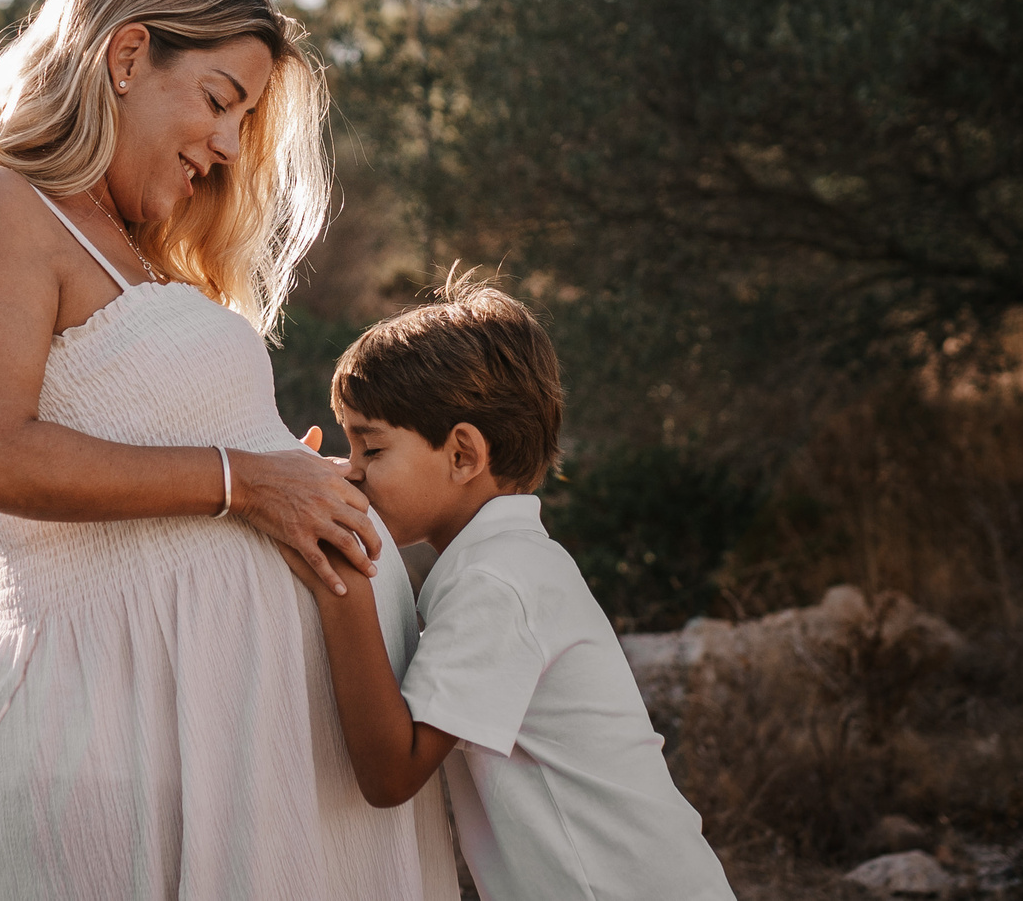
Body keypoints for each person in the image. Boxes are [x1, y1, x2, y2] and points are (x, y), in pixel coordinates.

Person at [0, 0, 457, 897]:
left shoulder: (143, 253)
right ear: (126, 57)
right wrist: (248, 480)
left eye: (244, 118)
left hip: (248, 740)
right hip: (120, 717)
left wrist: (290, 476)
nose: (231, 145)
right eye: (217, 100)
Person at [284, 277, 738, 901]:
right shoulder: (508, 564)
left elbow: (391, 772)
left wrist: (337, 568)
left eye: (372, 446)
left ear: (463, 455)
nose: (353, 469)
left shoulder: (496, 584)